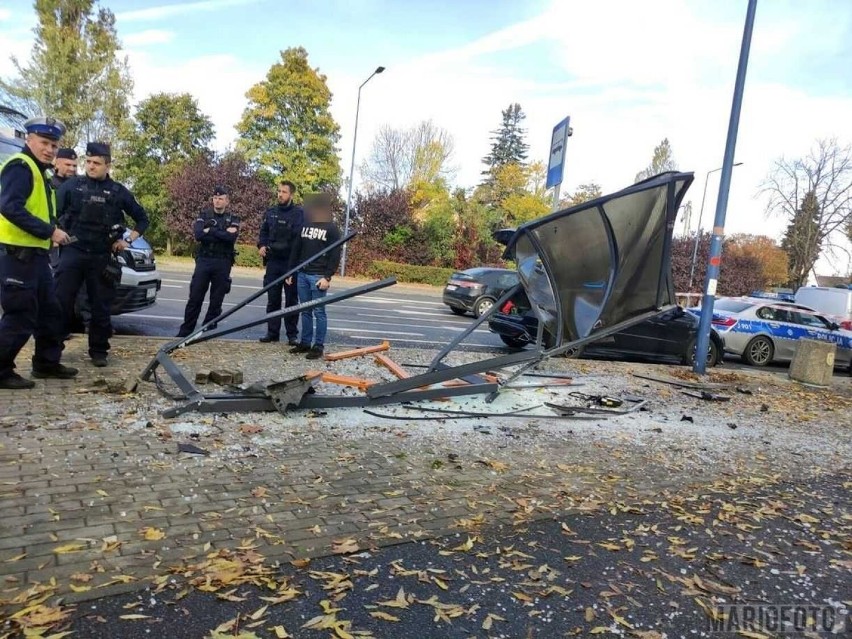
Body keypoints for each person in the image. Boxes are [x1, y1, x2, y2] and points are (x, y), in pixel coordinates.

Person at [0, 116, 78, 389]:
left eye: (54, 145)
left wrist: (51, 233)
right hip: (16, 256)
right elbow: (9, 207)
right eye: (44, 143)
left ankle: (46, 363)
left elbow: (38, 210)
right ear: (28, 139)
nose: (49, 149)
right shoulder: (20, 166)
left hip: (36, 257)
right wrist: (49, 232)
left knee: (50, 312)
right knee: (20, 315)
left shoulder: (39, 171)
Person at [55, 142, 149, 367]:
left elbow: (142, 219)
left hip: (100, 255)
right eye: (87, 162)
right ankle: (50, 352)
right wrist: (54, 233)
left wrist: (127, 240)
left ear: (108, 165)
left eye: (96, 163)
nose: (90, 166)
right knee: (60, 302)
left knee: (100, 306)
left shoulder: (118, 192)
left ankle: (98, 351)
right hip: (73, 252)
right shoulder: (71, 186)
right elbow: (51, 214)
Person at [176, 186, 240, 337]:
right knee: (195, 297)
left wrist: (210, 231)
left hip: (223, 261)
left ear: (227, 201)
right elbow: (198, 235)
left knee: (216, 300)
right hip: (204, 260)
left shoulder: (233, 218)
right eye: (215, 198)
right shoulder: (204, 215)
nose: (217, 201)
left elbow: (231, 238)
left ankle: (206, 332)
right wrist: (221, 233)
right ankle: (185, 332)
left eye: (221, 198)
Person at [286, 193, 341, 360]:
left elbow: (335, 254)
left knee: (319, 311)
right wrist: (291, 271)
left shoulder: (331, 229)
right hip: (302, 273)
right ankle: (305, 342)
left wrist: (327, 277)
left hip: (318, 276)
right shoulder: (305, 225)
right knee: (305, 311)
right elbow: (296, 248)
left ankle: (318, 346)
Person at [257, 180, 303, 344]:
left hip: (290, 263)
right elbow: (263, 232)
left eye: (284, 192)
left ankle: (292, 335)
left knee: (291, 300)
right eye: (279, 191)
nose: (280, 194)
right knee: (273, 299)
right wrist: (261, 245)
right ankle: (272, 333)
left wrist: (294, 266)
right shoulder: (271, 212)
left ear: (291, 194)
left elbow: (300, 239)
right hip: (273, 262)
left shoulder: (299, 214)